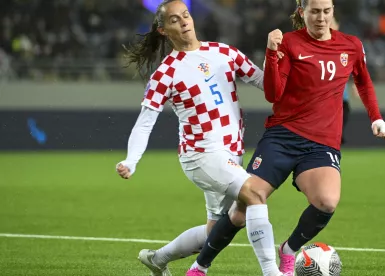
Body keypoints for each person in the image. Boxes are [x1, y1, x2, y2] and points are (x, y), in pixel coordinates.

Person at [188, 0, 385, 275]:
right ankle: (200, 266)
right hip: (283, 137)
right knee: (243, 207)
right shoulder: (289, 43)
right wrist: (271, 53)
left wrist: (376, 117)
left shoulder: (351, 45)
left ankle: (288, 249)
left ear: (333, 12)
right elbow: (273, 93)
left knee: (327, 202)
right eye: (315, 12)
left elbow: (364, 81)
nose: (321, 18)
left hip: (321, 144)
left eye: (326, 11)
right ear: (302, 12)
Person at [115, 1, 283, 276]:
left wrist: (274, 56)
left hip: (230, 153)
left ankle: (157, 259)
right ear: (163, 30)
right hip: (201, 155)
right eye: (174, 19)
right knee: (254, 193)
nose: (183, 21)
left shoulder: (223, 52)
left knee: (217, 231)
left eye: (186, 15)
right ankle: (271, 272)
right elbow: (145, 122)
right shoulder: (166, 73)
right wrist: (131, 160)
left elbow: (266, 83)